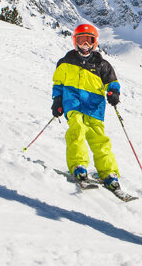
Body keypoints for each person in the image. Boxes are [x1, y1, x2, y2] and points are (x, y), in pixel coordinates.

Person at [52, 23, 123, 190]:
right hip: (73, 104)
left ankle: (108, 173)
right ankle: (79, 166)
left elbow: (112, 82)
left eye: (89, 41)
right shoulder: (65, 62)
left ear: (95, 43)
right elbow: (58, 84)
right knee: (76, 132)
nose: (85, 45)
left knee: (99, 139)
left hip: (94, 107)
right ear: (75, 41)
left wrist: (113, 93)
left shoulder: (102, 65)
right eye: (81, 40)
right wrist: (57, 101)